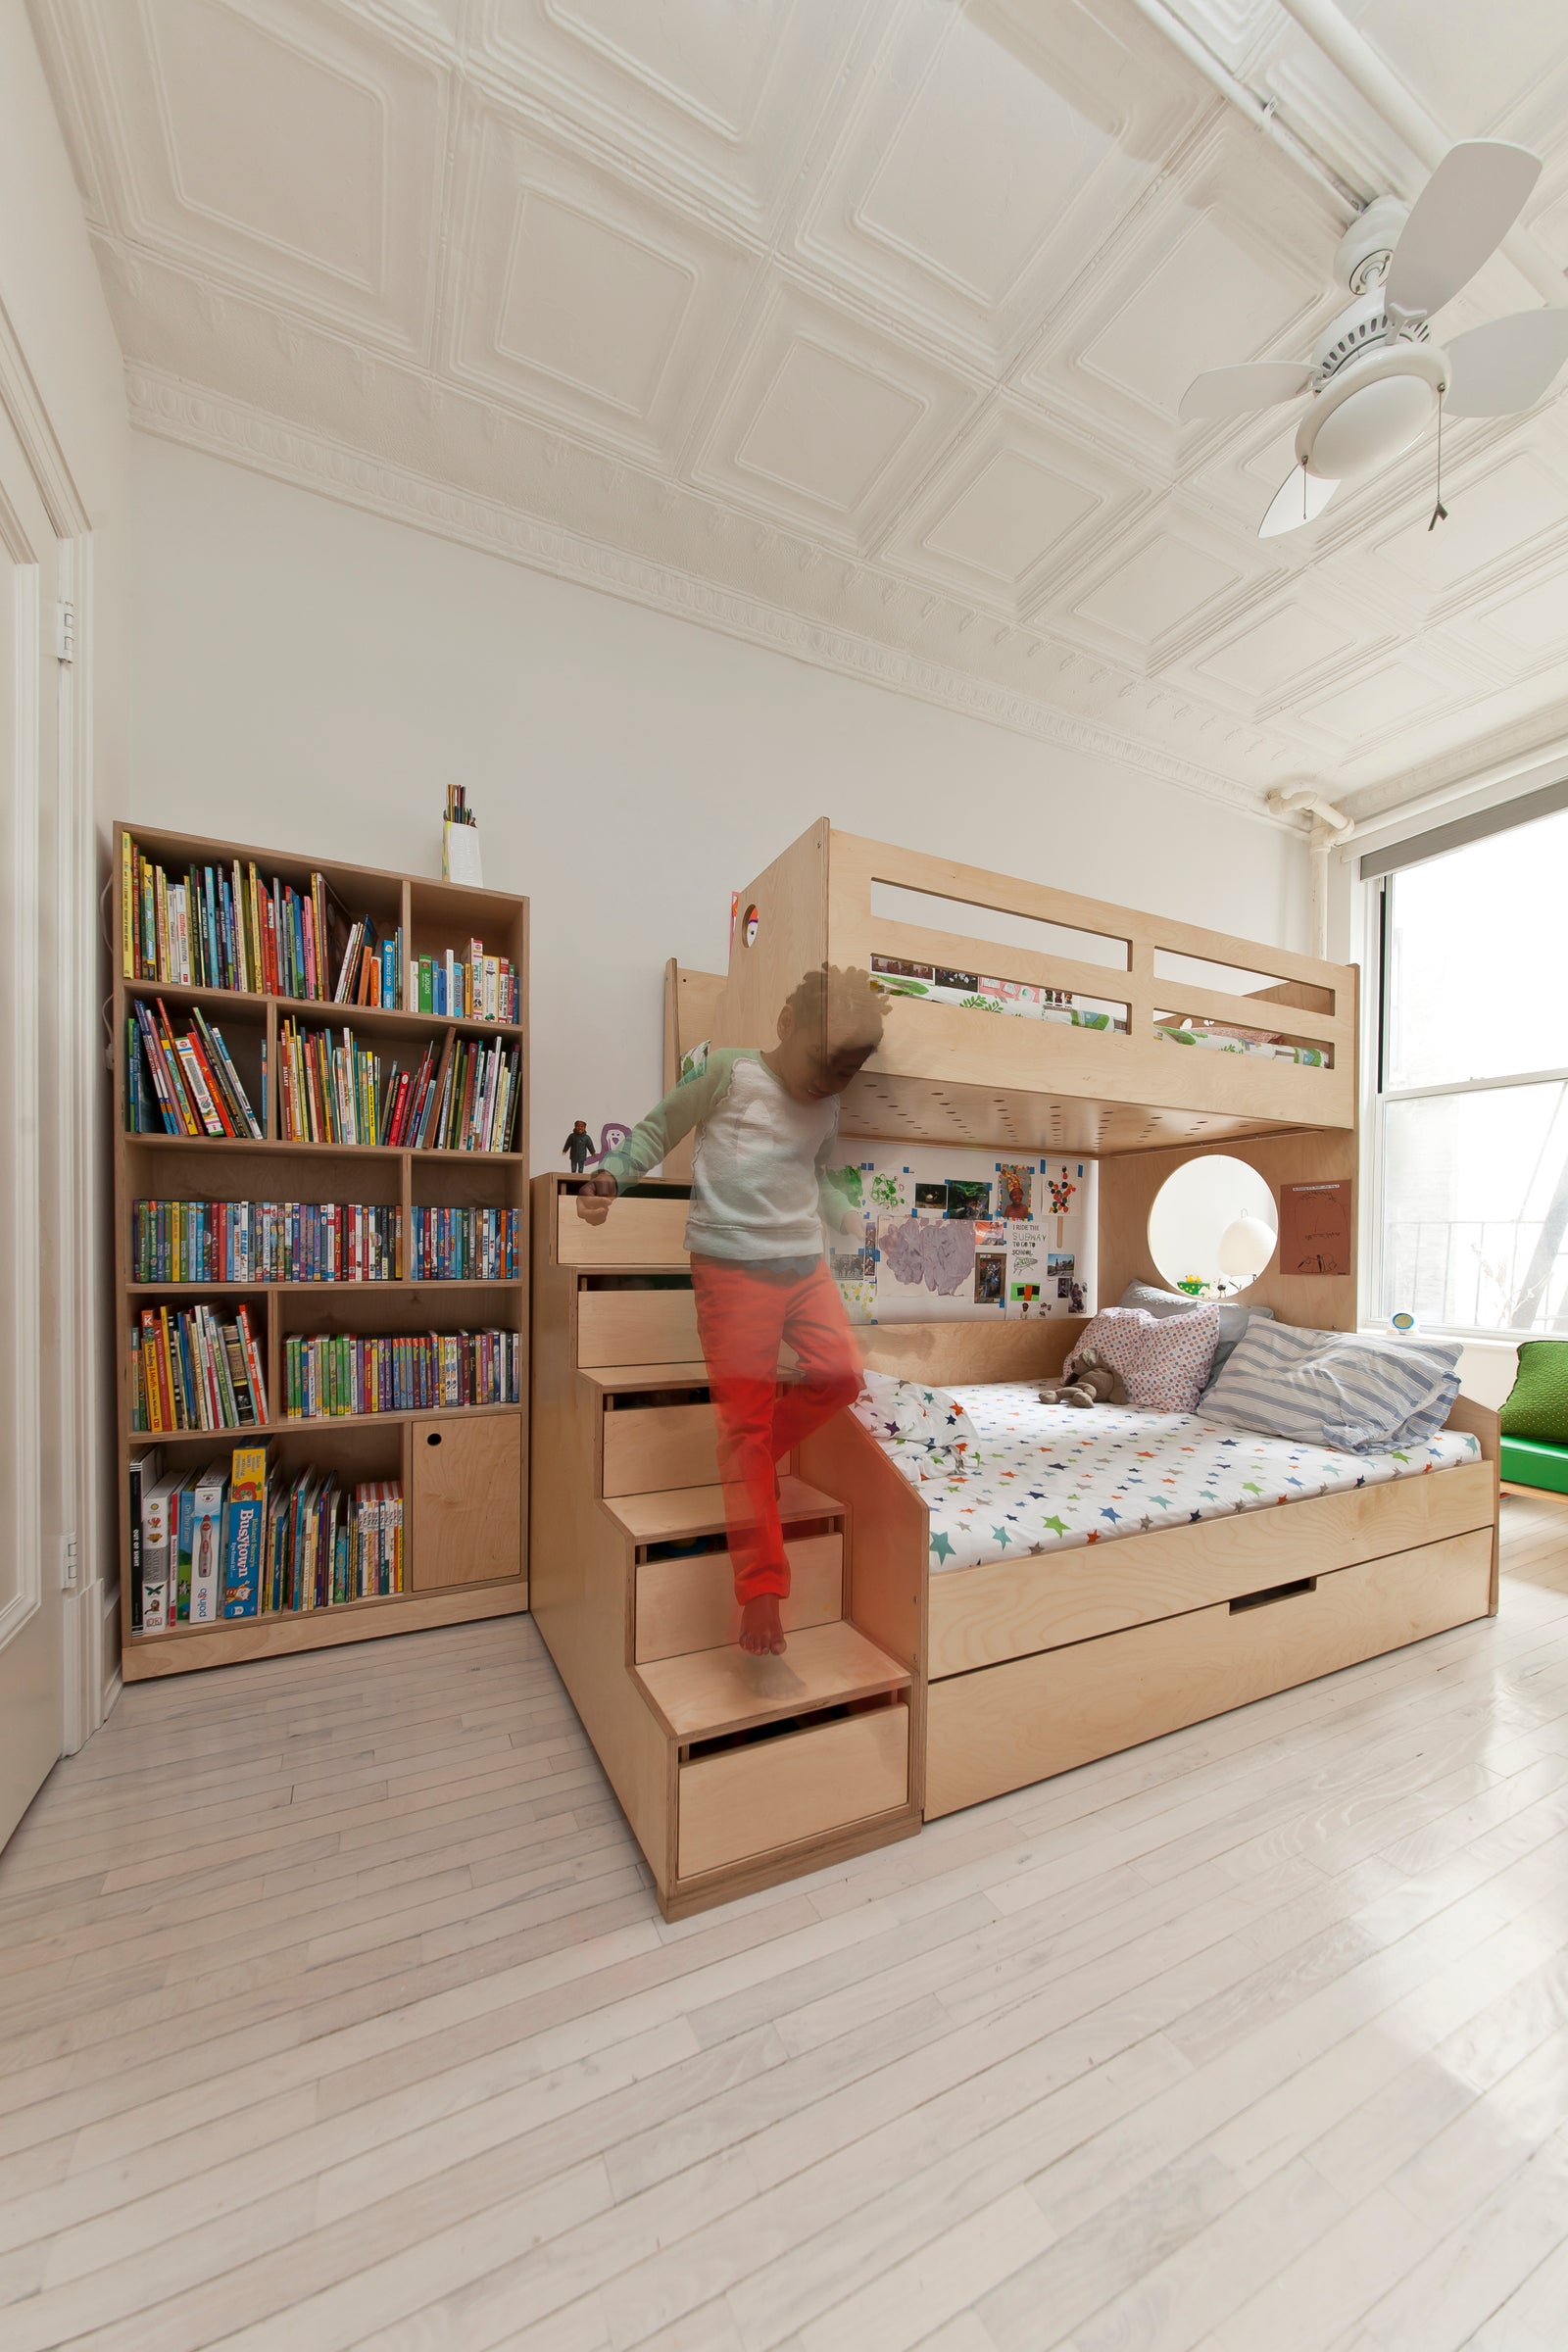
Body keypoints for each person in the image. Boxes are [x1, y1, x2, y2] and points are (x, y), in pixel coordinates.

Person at [577, 965, 884, 1655]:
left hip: (802, 1264)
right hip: (731, 1270)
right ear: (785, 1025)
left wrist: (851, 1217)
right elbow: (658, 1129)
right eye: (819, 1064)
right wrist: (610, 1179)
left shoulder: (829, 1105)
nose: (825, 1084)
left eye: (842, 1075)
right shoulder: (728, 1073)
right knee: (743, 1424)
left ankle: (759, 1449)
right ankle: (762, 1593)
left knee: (840, 1375)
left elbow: (821, 1174)